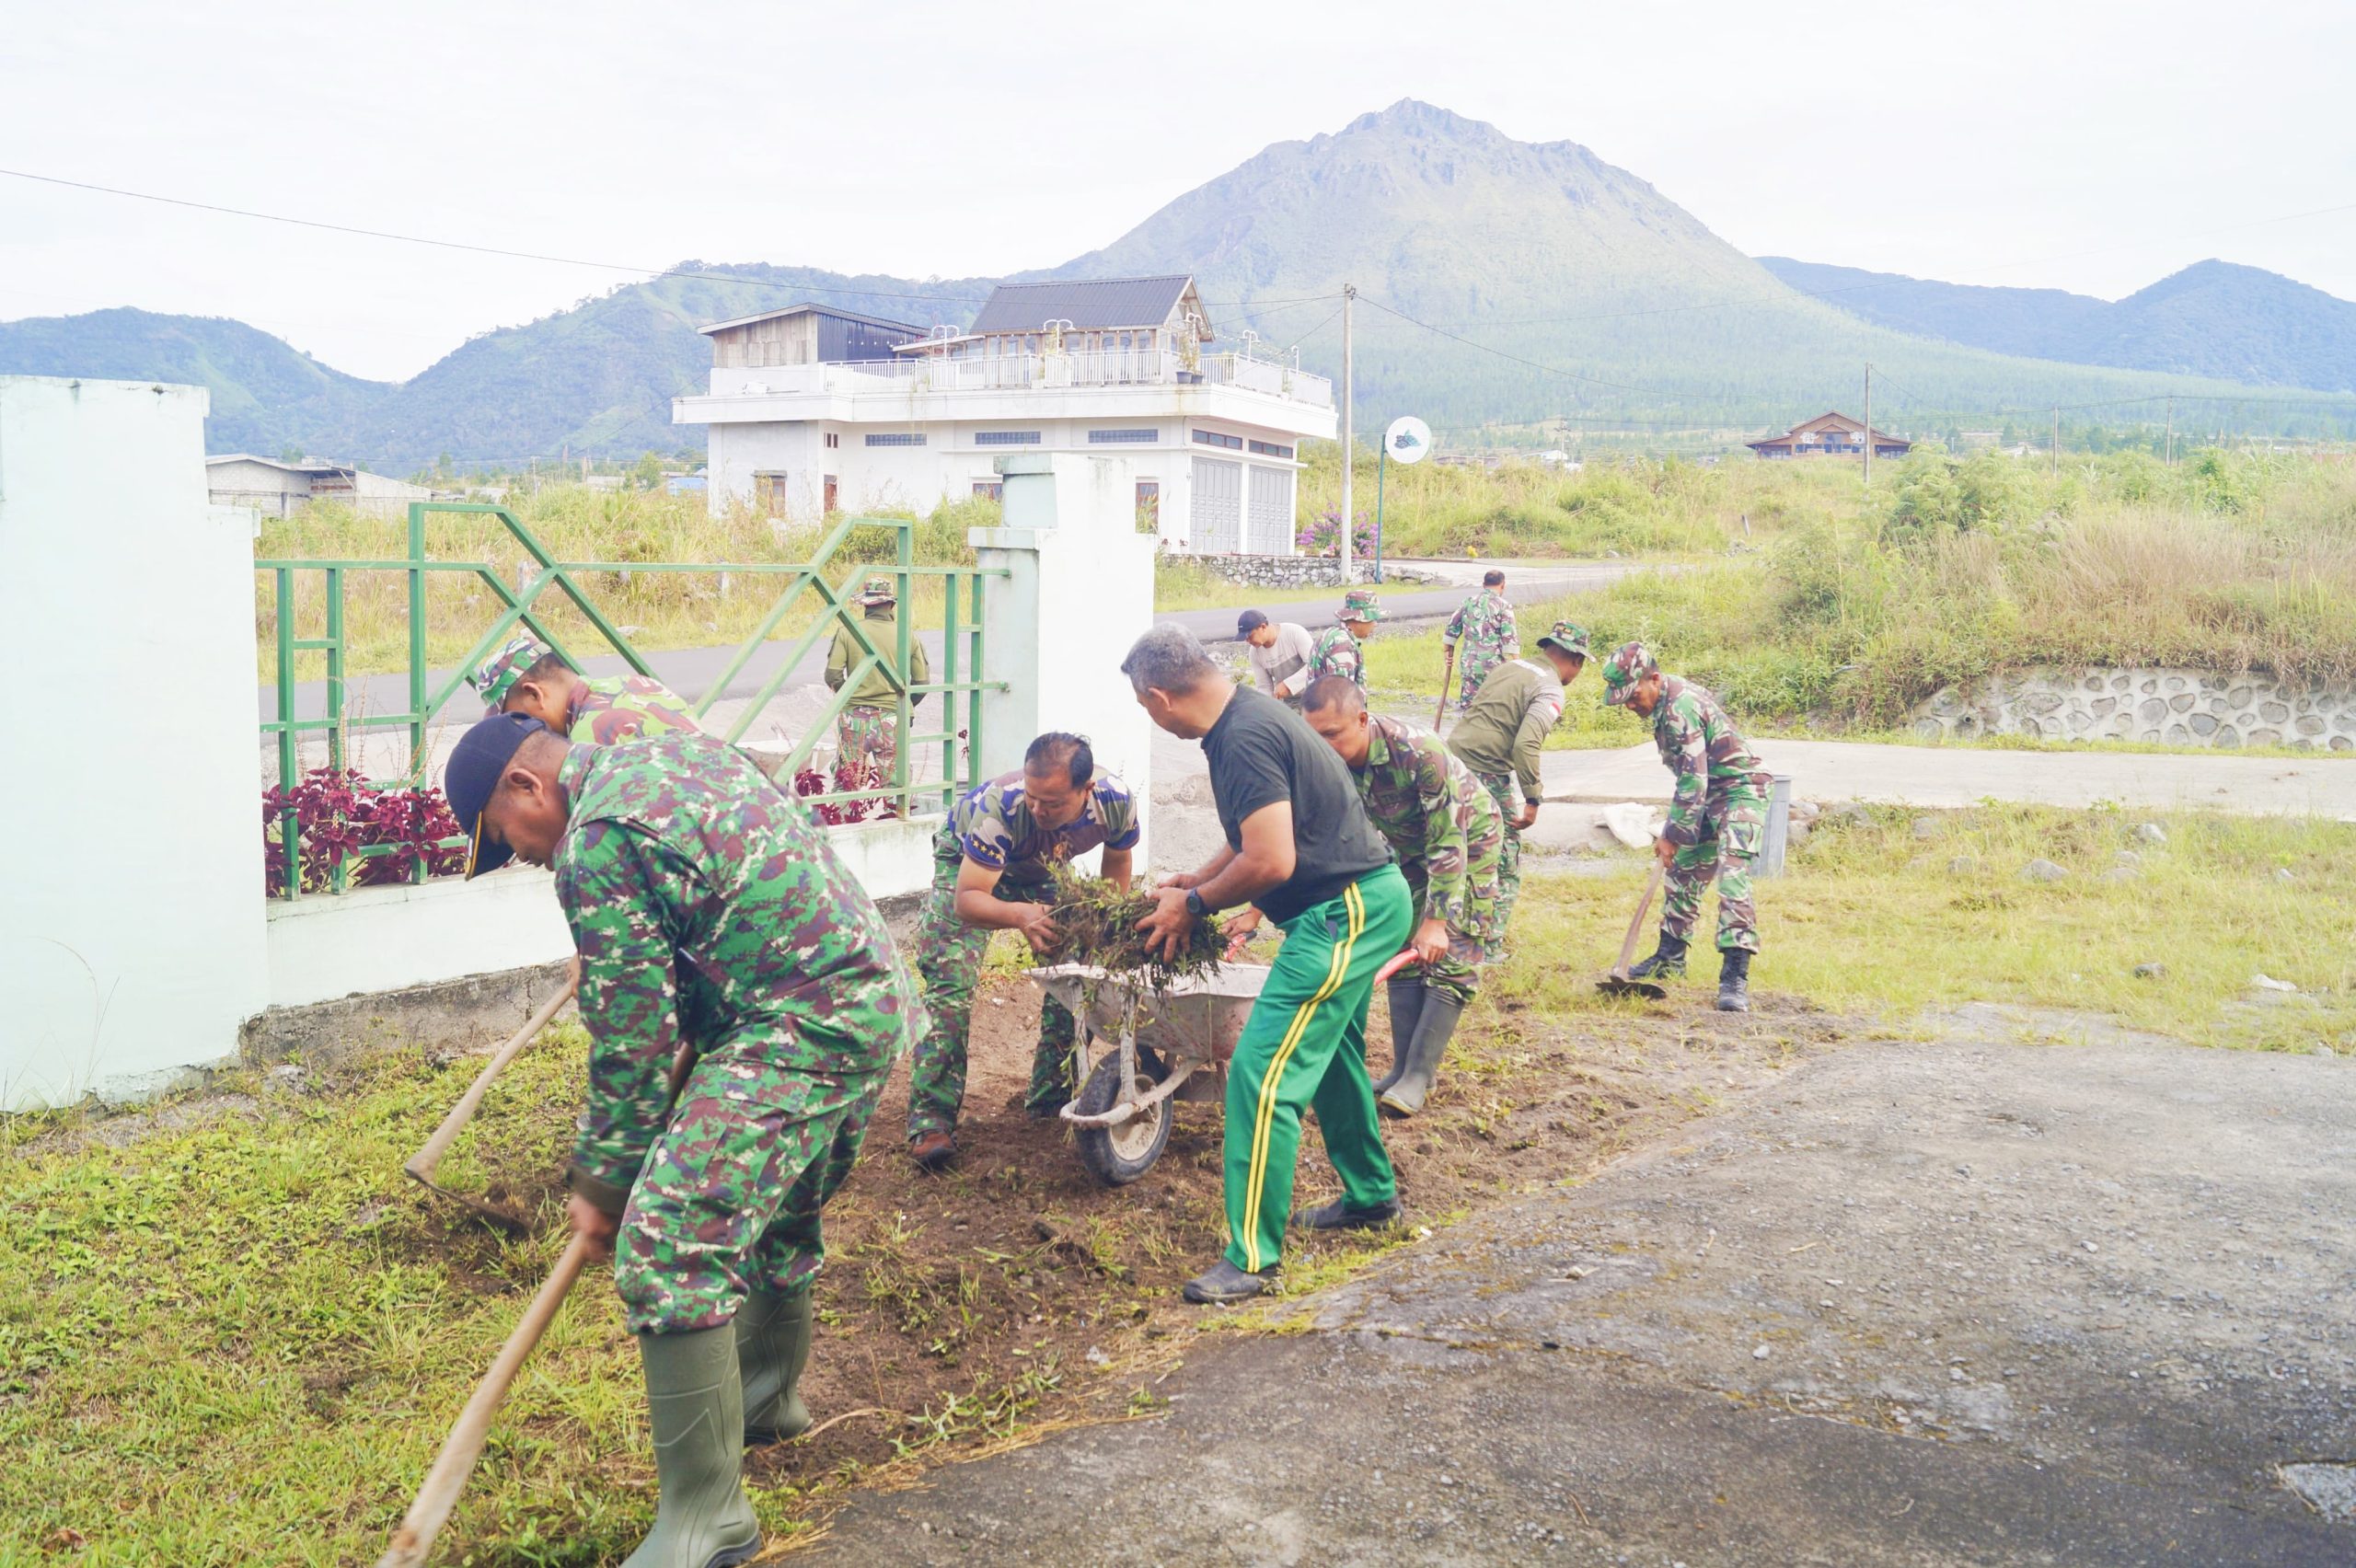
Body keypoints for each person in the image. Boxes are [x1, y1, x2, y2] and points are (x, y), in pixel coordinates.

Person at [443, 715, 925, 1566]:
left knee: (668, 1239)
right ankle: (768, 1402)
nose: (518, 856)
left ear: (526, 786)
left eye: (502, 839)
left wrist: (603, 1185)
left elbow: (632, 1044)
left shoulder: (597, 841)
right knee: (776, 1207)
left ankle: (708, 1519)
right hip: (869, 992)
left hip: (800, 1026)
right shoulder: (668, 752)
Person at [1121, 624, 1411, 1305]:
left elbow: (1273, 862)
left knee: (1261, 1072)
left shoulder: (1243, 738)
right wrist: (1200, 875)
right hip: (1357, 904)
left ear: (1159, 698)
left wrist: (1191, 904)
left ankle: (1252, 1257)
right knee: (1332, 1059)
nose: (1151, 719)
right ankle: (1371, 1198)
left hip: (1345, 912)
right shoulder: (1251, 716)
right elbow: (1250, 837)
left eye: (1143, 709)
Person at [905, 733, 1141, 1170]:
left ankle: (1049, 1101)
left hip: (1042, 872)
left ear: (1085, 790)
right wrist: (1019, 915)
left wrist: (1106, 928)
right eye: (1033, 798)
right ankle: (931, 1119)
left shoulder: (1115, 801)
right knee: (949, 989)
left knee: (1074, 982)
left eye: (1051, 802)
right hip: (968, 869)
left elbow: (1117, 865)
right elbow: (969, 900)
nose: (1038, 809)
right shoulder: (1000, 808)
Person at [1297, 675, 1503, 1117]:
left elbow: (1450, 839)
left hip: (1469, 840)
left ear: (1362, 719)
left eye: (1333, 734)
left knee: (1452, 951)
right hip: (1405, 849)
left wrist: (1437, 921)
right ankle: (1399, 1071)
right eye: (1314, 736)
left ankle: (1419, 1075)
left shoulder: (1418, 752)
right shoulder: (1323, 761)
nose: (1323, 746)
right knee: (1399, 943)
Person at [1600, 641, 1765, 1013]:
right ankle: (1670, 958)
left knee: (1733, 879)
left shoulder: (1680, 708)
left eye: (1633, 695)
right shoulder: (1664, 701)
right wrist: (1675, 833)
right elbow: (1694, 783)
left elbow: (1694, 780)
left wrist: (1672, 833)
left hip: (1739, 791)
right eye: (1622, 699)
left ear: (1654, 679)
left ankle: (1734, 977)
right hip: (1706, 794)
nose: (1629, 705)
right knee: (1683, 874)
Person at [1443, 621, 1588, 951]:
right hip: (1487, 772)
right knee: (1503, 861)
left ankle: (1446, 934)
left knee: (1453, 849)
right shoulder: (1551, 688)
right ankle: (1487, 948)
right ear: (1576, 661)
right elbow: (1526, 745)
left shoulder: (1509, 667)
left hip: (1451, 762)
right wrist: (1533, 798)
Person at [468, 636, 700, 745]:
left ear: (534, 694)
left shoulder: (589, 738)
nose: (521, 730)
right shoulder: (636, 684)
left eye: (518, 718)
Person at [826, 573, 930, 794]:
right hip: (893, 718)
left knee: (847, 783)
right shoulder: (908, 636)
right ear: (891, 604)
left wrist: (852, 697)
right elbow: (921, 681)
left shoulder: (847, 633)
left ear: (864, 604)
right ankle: (896, 818)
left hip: (854, 718)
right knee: (896, 787)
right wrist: (902, 703)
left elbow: (833, 675)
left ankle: (845, 822)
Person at [1441, 569, 1519, 712]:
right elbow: (1510, 638)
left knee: (1468, 708)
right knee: (1492, 708)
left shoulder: (1468, 602)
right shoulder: (1503, 605)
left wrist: (1447, 650)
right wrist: (1516, 663)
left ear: (1484, 585)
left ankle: (1466, 732)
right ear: (1503, 585)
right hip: (1493, 667)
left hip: (1469, 665)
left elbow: (1452, 628)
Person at [1304, 588, 1383, 688]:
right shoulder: (1342, 645)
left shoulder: (1331, 634)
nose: (1375, 624)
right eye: (1373, 619)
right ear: (1359, 618)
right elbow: (1341, 694)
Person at [1238, 609, 1317, 709]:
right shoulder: (1254, 653)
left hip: (1314, 696)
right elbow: (1264, 687)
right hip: (1289, 702)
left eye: (1250, 636)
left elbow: (1314, 667)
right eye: (1245, 639)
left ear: (1263, 627)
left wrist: (1288, 685)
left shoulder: (1294, 633)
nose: (1248, 641)